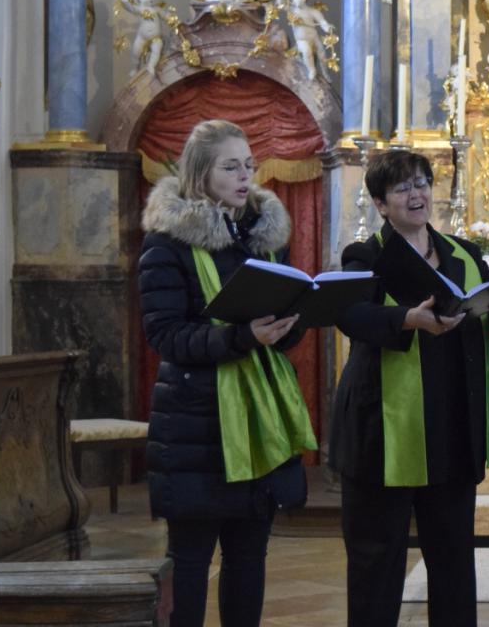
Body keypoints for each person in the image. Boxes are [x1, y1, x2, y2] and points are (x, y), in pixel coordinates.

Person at [329, 150, 489, 626]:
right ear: (380, 203)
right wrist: (407, 319)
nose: (416, 195)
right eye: (402, 188)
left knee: (454, 563)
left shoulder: (462, 253)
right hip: (384, 433)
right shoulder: (366, 256)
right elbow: (350, 315)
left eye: (421, 183)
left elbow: (475, 311)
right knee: (378, 562)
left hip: (452, 428)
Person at [138, 119, 316, 627]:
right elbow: (166, 337)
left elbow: (276, 330)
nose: (245, 176)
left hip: (257, 420)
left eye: (249, 165)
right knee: (191, 563)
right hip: (197, 424)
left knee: (248, 559)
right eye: (231, 166)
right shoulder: (166, 245)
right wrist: (242, 337)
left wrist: (289, 325)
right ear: (200, 172)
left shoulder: (263, 240)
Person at [118, 0, 165, 79]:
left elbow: (165, 15)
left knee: (157, 49)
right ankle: (135, 67)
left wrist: (170, 18)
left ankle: (151, 65)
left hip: (156, 38)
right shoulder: (140, 9)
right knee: (136, 51)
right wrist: (125, 2)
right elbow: (131, 9)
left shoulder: (156, 9)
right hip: (142, 37)